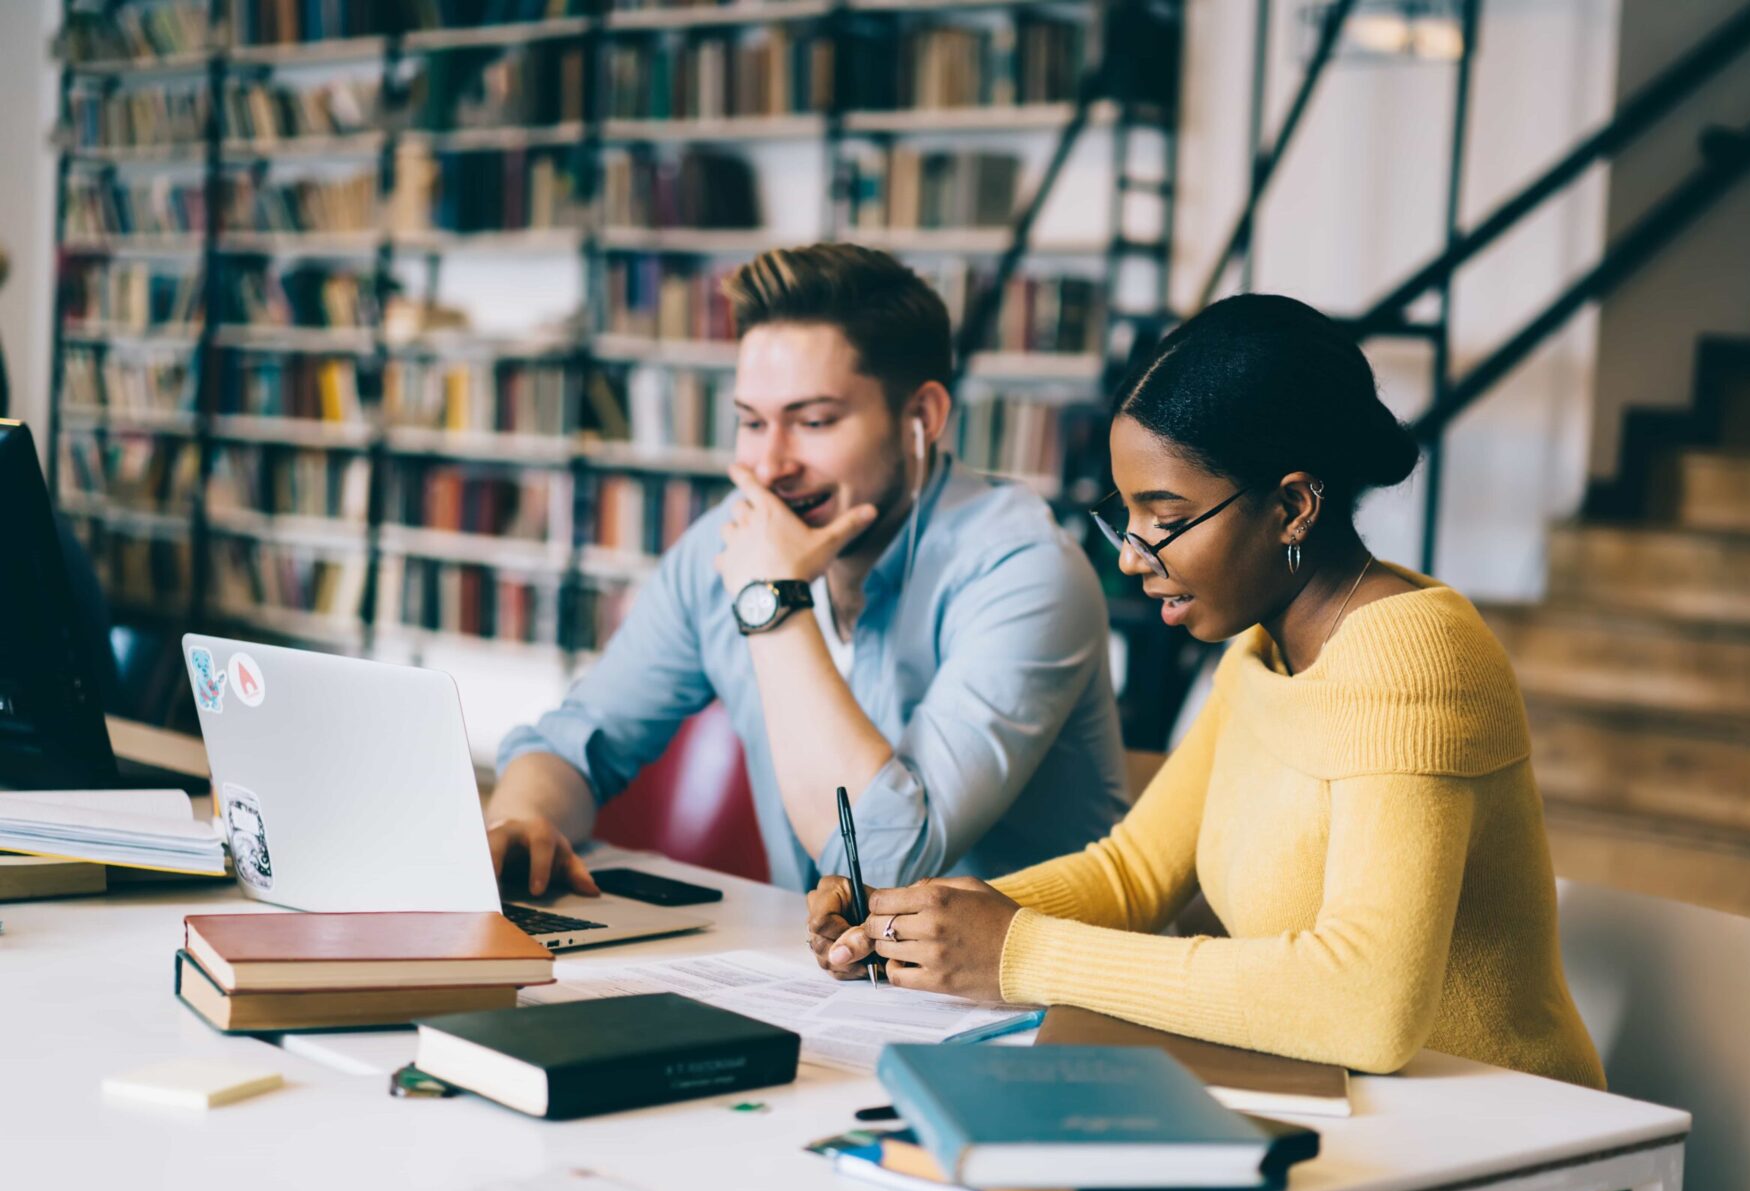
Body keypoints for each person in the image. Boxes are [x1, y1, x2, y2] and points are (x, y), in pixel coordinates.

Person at [809, 293, 1605, 1093]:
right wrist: (915, 919)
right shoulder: (1266, 647)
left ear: (1292, 507)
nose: (1131, 556)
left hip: (1504, 1128)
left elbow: (1369, 1004)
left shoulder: (1414, 657)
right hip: (1351, 1110)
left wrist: (1017, 951)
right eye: (1127, 516)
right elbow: (1132, 875)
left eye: (1166, 517)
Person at [488, 244, 1129, 895]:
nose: (770, 466)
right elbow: (577, 745)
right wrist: (524, 820)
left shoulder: (1025, 571)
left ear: (922, 417)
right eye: (751, 422)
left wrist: (772, 600)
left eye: (814, 421)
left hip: (1019, 963)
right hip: (806, 956)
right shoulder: (727, 544)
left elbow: (879, 863)